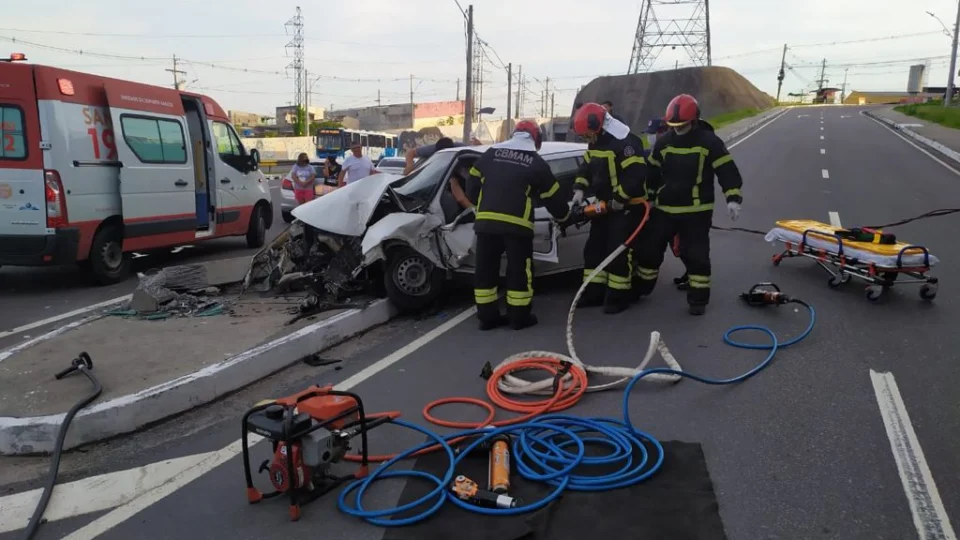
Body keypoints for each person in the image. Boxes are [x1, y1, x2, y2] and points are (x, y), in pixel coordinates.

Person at [634, 94, 744, 316]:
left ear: (693, 120)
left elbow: (727, 171)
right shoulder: (665, 142)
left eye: (681, 125)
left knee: (696, 255)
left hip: (696, 212)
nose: (678, 129)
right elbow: (652, 173)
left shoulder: (709, 142)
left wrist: (733, 198)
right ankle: (641, 289)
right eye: (673, 125)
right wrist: (650, 197)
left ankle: (698, 300)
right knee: (649, 251)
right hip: (664, 210)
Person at [465, 121, 570, 331]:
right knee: (519, 272)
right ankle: (519, 317)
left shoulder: (490, 154)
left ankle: (487, 318)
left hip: (486, 224)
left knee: (485, 270)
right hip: (516, 226)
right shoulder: (536, 163)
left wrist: (481, 203)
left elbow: (472, 183)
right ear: (535, 139)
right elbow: (553, 198)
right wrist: (564, 216)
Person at [570, 102, 650, 314]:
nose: (586, 140)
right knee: (593, 251)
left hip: (627, 207)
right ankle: (593, 293)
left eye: (587, 135)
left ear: (598, 126)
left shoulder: (625, 142)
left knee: (617, 252)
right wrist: (579, 189)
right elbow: (586, 168)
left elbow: (637, 175)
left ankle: (618, 297)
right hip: (605, 207)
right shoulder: (595, 144)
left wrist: (619, 199)